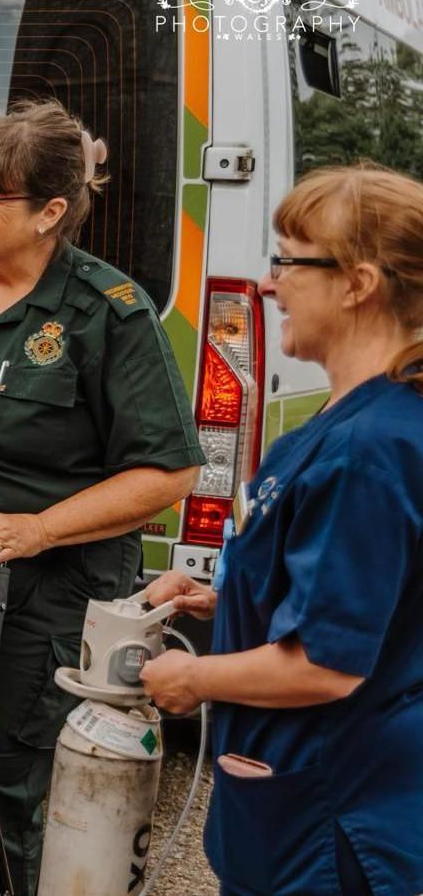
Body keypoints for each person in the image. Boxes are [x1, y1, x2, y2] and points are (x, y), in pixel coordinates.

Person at [0, 100, 204, 894]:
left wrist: (41, 528)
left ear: (52, 211)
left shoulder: (108, 314)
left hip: (39, 599)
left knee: (11, 790)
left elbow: (166, 474)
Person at [139, 164, 423, 896]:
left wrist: (192, 677)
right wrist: (222, 597)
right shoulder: (352, 424)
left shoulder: (369, 448)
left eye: (287, 262)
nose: (268, 286)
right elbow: (363, 592)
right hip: (305, 802)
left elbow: (328, 663)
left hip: (334, 814)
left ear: (357, 283)